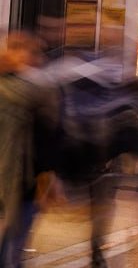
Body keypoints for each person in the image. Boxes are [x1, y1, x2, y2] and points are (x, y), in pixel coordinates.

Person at [0, 33, 57, 266]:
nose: (40, 59)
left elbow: (47, 141)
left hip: (22, 177)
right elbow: (48, 140)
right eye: (35, 53)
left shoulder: (39, 90)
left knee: (13, 244)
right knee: (14, 246)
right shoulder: (40, 91)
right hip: (19, 177)